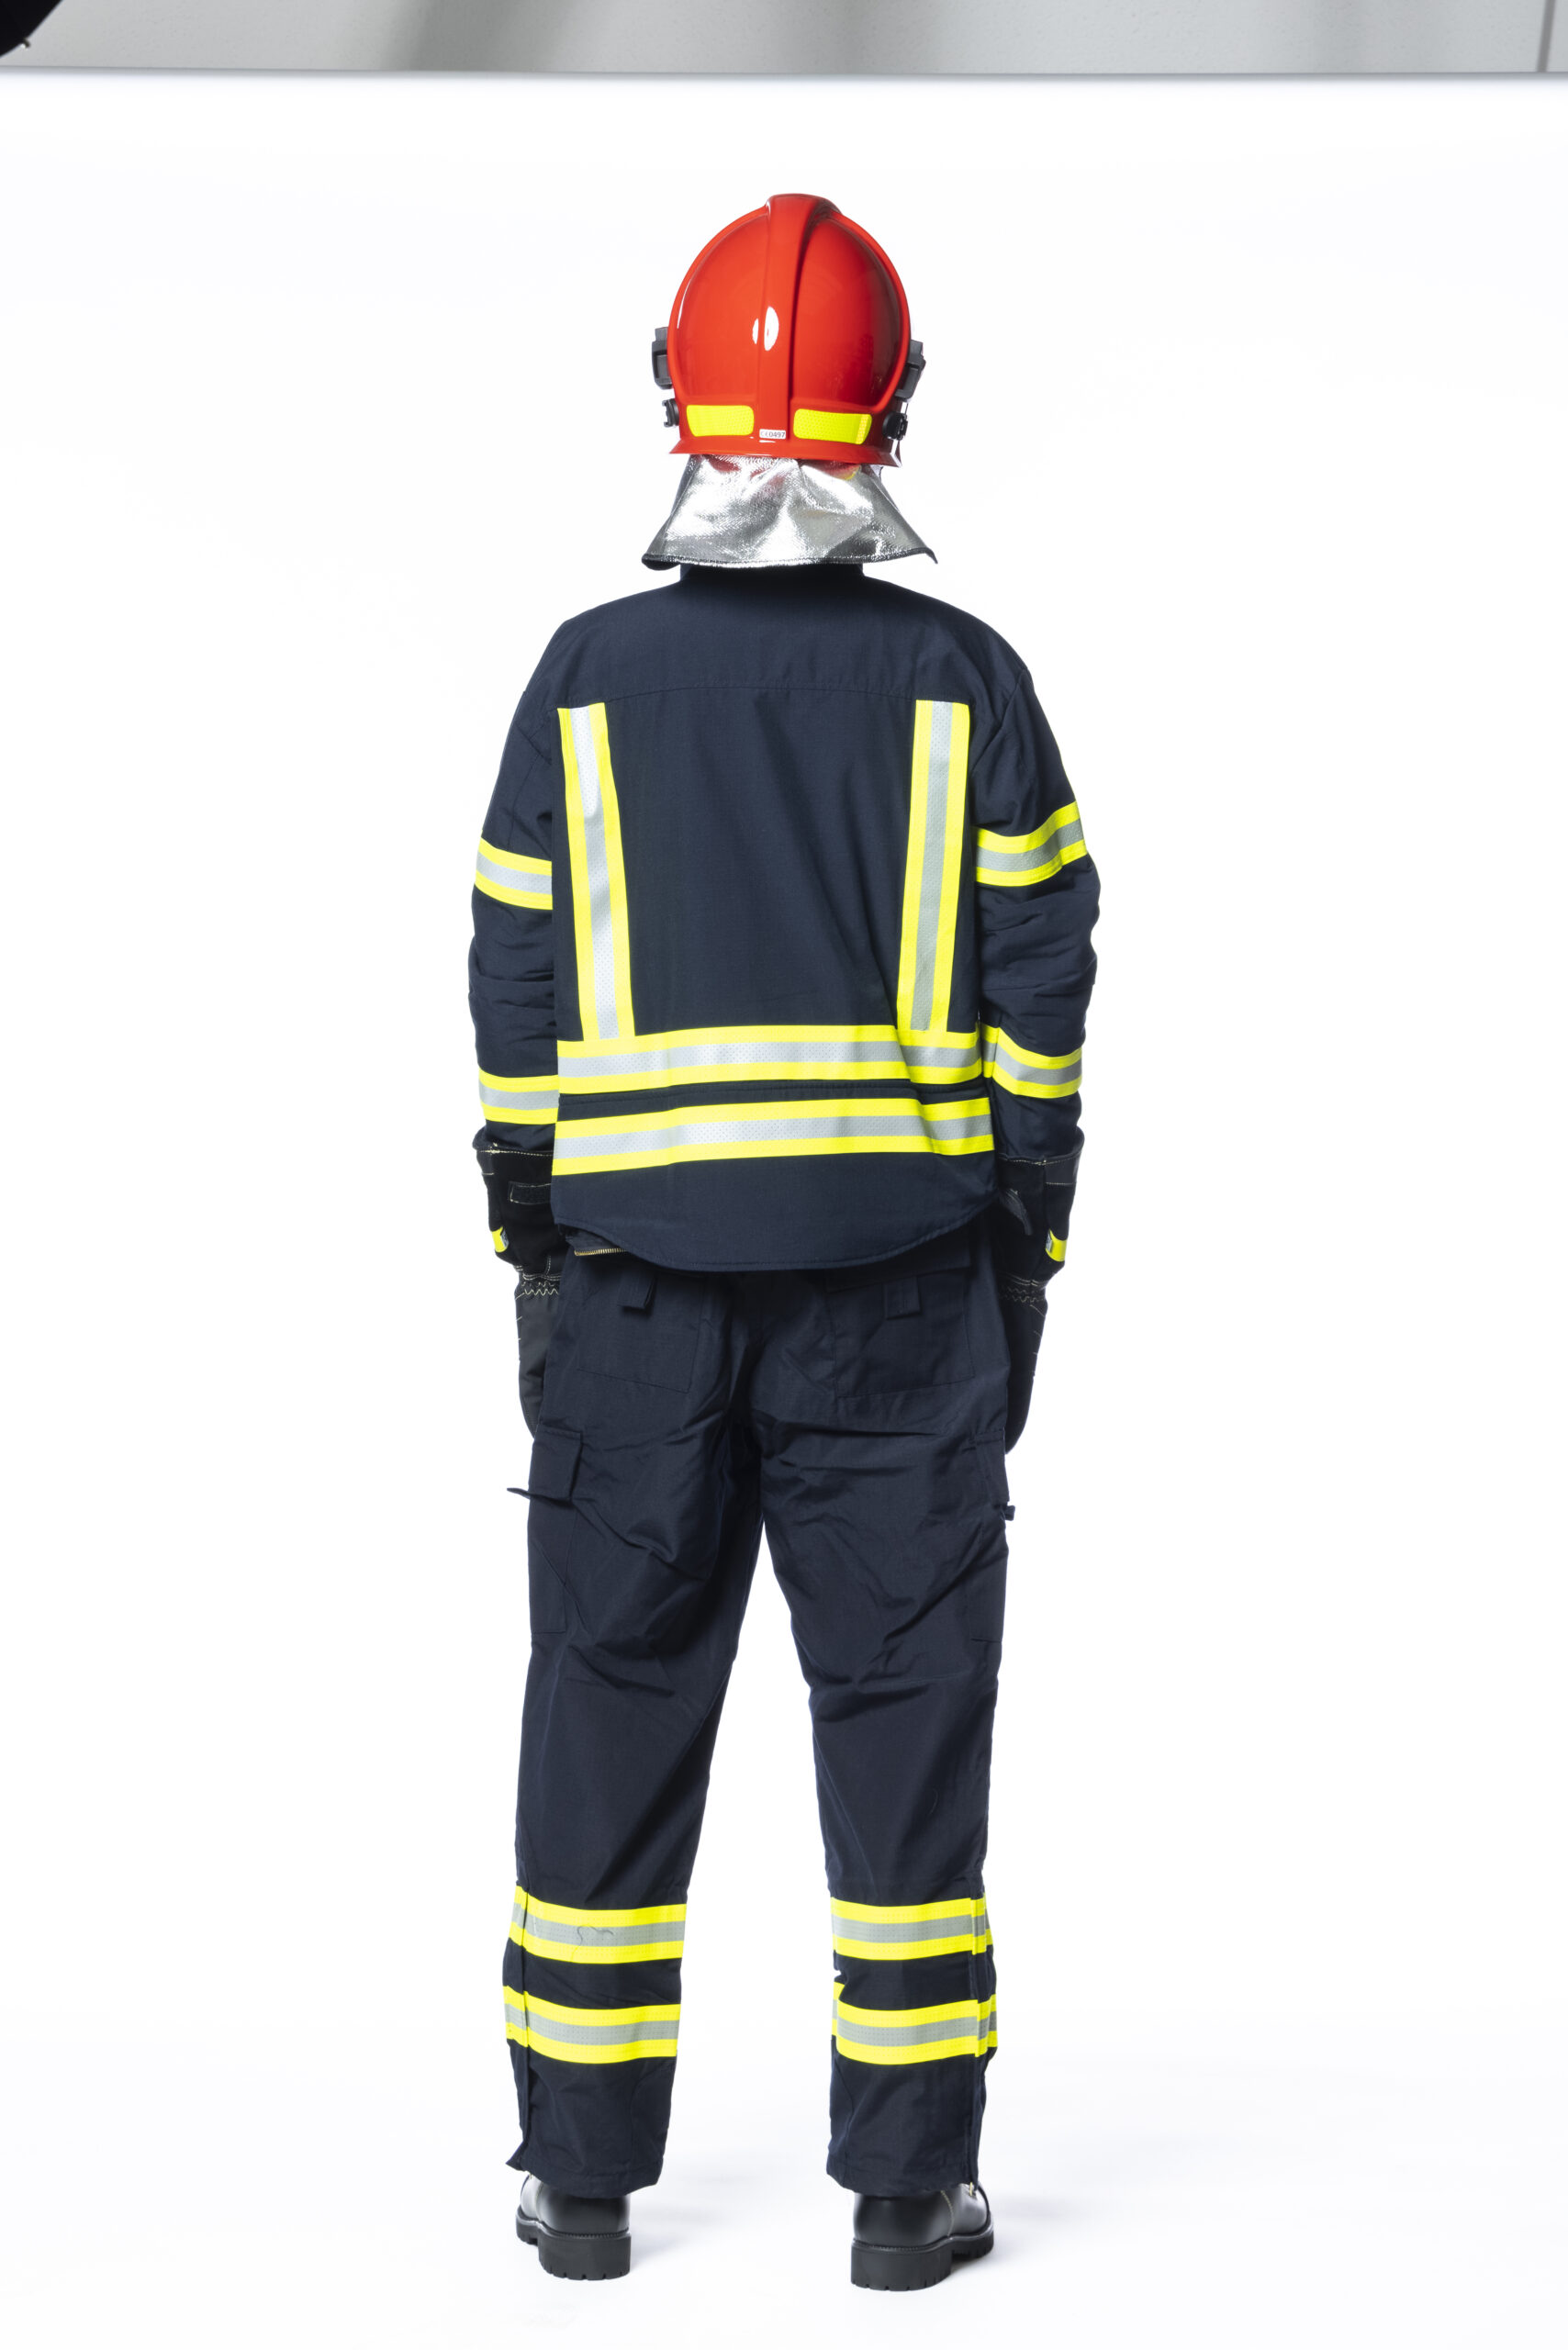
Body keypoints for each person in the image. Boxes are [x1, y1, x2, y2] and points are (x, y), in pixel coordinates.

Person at [468, 193, 1099, 2290]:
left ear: (677, 393)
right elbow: (1042, 978)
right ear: (889, 408)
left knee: (606, 1707)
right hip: (902, 1307)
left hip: (630, 1306)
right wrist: (1027, 1235)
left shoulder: (583, 681)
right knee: (905, 1724)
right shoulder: (963, 684)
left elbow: (514, 972)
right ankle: (906, 2197)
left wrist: (532, 1228)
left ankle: (579, 2186)